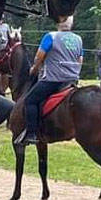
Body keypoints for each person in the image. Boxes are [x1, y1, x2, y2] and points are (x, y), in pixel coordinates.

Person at [16, 16, 83, 145]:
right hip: (72, 80)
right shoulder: (78, 39)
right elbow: (80, 60)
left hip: (53, 79)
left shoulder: (50, 36)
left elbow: (39, 57)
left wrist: (34, 69)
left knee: (30, 101)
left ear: (58, 22)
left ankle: (32, 133)